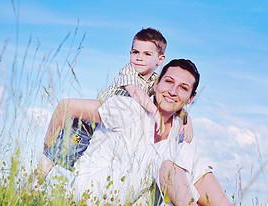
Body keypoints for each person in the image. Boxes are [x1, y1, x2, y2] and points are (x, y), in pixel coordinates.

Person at [42, 59, 267, 206]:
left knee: (189, 153)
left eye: (183, 88)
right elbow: (65, 106)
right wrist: (48, 147)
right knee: (162, 152)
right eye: (168, 82)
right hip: (94, 196)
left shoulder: (180, 127)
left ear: (191, 98)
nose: (172, 91)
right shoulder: (129, 107)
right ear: (157, 83)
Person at [36, 28, 193, 180]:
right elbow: (135, 92)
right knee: (53, 156)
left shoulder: (156, 81)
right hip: (89, 122)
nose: (139, 58)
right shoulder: (129, 71)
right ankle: (31, 186)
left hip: (108, 131)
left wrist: (187, 120)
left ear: (160, 59)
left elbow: (167, 98)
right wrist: (154, 111)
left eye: (147, 54)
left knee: (84, 167)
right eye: (135, 52)